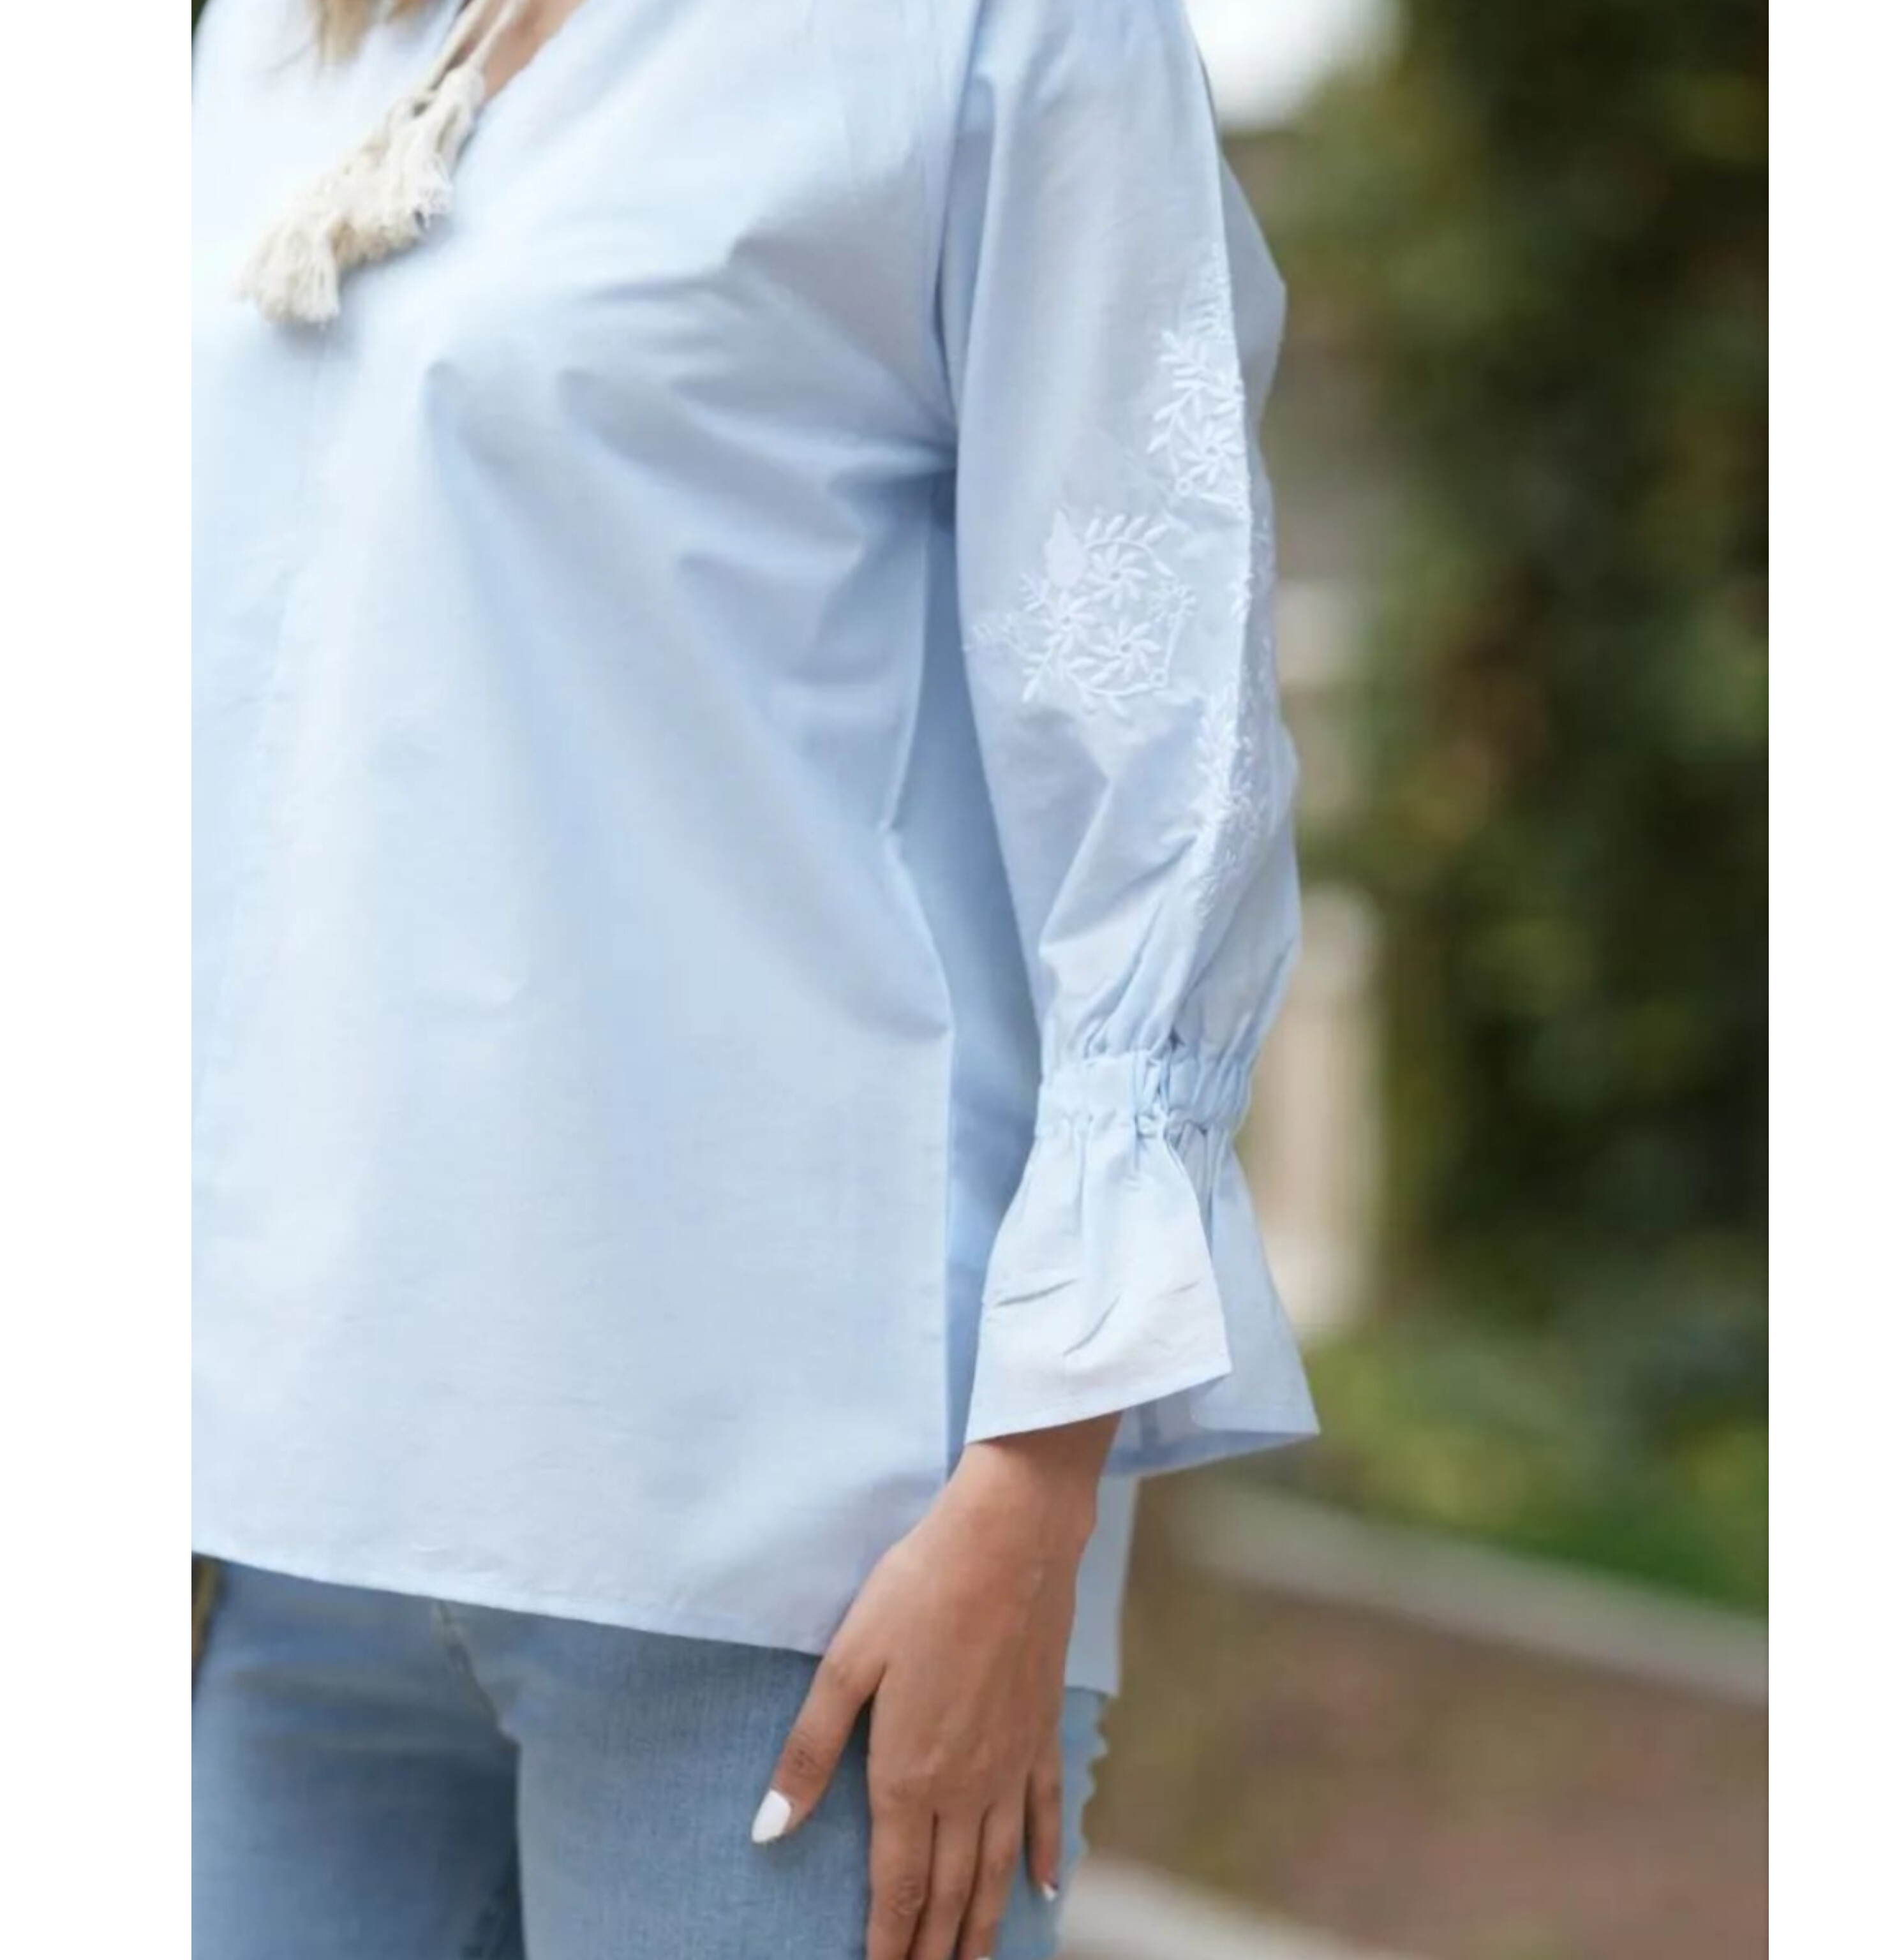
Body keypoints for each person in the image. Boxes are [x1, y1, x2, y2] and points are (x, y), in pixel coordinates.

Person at [190, 0, 1319, 1954]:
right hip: (296, 1531)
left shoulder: (999, 32)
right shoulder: (285, 46)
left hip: (787, 1558)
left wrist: (1035, 1490)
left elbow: (1160, 752)